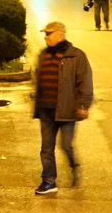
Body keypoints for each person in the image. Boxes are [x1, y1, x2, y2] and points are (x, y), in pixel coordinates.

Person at [34, 22, 93, 194]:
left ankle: (74, 165)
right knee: (46, 148)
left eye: (49, 33)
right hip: (46, 110)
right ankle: (49, 181)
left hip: (67, 111)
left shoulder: (76, 56)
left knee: (66, 145)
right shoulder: (43, 54)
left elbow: (85, 82)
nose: (45, 37)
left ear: (60, 35)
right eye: (45, 34)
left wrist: (84, 105)